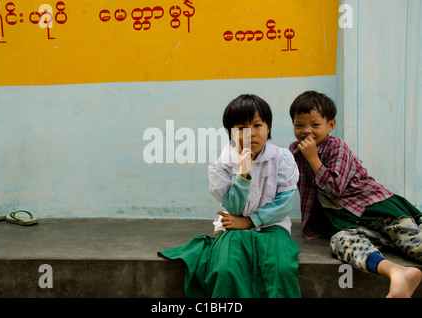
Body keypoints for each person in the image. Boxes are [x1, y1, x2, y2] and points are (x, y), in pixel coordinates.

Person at [158, 94, 301, 297]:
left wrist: (250, 221)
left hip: (272, 226)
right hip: (233, 224)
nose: (250, 133)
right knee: (225, 270)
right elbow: (233, 209)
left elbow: (284, 204)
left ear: (268, 127)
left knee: (281, 268)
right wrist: (243, 172)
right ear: (231, 133)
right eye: (241, 128)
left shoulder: (282, 158)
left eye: (257, 125)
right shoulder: (221, 165)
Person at [289, 90, 422, 298]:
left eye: (315, 125)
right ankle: (397, 273)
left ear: (330, 125)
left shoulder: (336, 147)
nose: (307, 131)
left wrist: (313, 158)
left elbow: (334, 190)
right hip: (352, 223)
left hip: (376, 210)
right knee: (340, 242)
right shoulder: (295, 151)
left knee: (413, 244)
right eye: (300, 125)